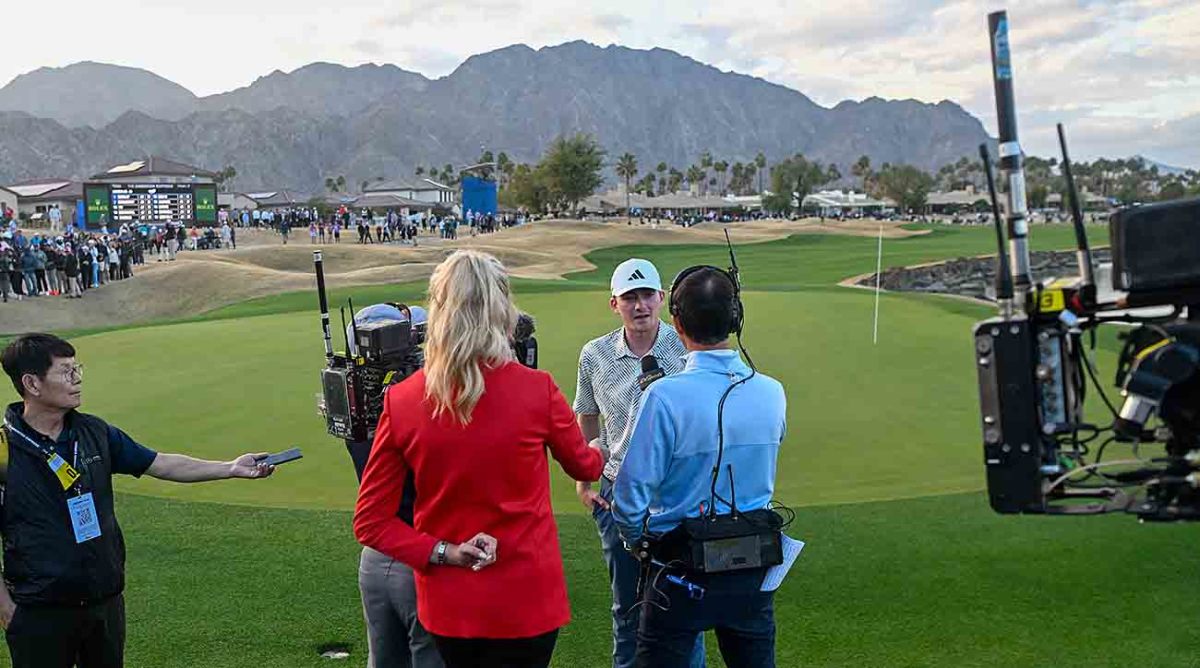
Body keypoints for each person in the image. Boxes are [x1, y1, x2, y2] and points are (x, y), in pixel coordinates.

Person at [355, 251, 605, 668]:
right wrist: (599, 449)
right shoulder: (537, 389)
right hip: (528, 601)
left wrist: (444, 552)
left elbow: (371, 522)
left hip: (450, 605)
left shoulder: (402, 400)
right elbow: (585, 466)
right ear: (502, 309)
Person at [0, 333, 278, 668]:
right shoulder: (3, 451)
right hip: (39, 612)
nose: (77, 380)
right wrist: (7, 610)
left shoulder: (95, 433)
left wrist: (230, 468)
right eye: (66, 372)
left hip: (104, 603)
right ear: (32, 383)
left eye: (78, 370)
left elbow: (160, 462)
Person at [613, 267, 787, 668]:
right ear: (735, 318)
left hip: (676, 571)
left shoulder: (663, 396)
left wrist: (636, 542)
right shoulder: (772, 392)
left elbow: (629, 497)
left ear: (676, 322)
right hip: (752, 567)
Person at [573, 259, 697, 668]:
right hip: (617, 491)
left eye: (647, 295)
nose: (640, 305)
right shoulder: (595, 354)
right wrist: (587, 475)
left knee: (686, 604)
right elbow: (587, 413)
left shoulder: (685, 349)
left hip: (677, 490)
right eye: (630, 297)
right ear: (614, 303)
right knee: (626, 606)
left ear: (661, 299)